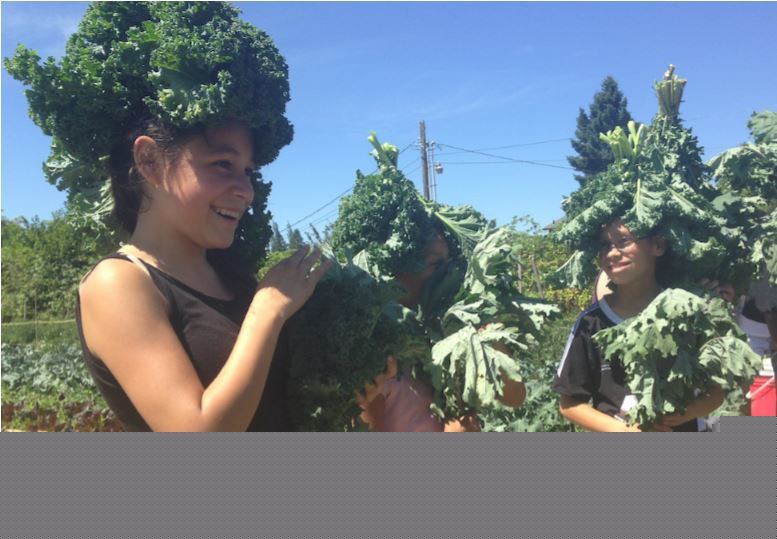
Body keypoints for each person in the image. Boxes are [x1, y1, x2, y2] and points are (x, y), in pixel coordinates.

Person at [77, 118, 331, 431]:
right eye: (223, 164)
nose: (246, 191)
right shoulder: (118, 282)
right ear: (151, 162)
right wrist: (268, 309)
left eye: (248, 172)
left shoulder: (234, 279)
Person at [553, 217, 725, 432]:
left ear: (658, 245)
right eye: (604, 245)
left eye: (623, 241)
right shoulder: (591, 323)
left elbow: (716, 393)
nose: (612, 253)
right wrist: (625, 431)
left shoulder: (689, 313)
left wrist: (685, 412)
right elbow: (569, 404)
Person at [356, 231, 526, 432]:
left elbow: (514, 397)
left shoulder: (446, 334)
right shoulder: (375, 358)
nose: (448, 271)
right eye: (435, 264)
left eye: (449, 261)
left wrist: (489, 337)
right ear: (397, 271)